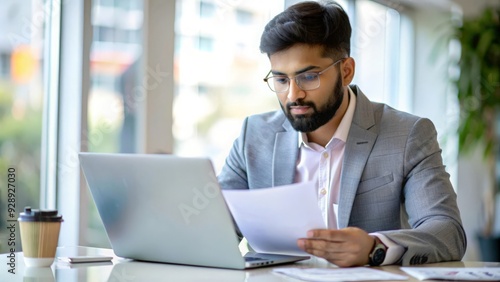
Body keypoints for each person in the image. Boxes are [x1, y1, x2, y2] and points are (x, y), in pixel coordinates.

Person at [217, 0, 466, 267]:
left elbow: (447, 232)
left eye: (309, 77)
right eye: (281, 80)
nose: (293, 94)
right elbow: (214, 228)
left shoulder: (407, 134)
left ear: (346, 71)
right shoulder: (253, 136)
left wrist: (375, 247)